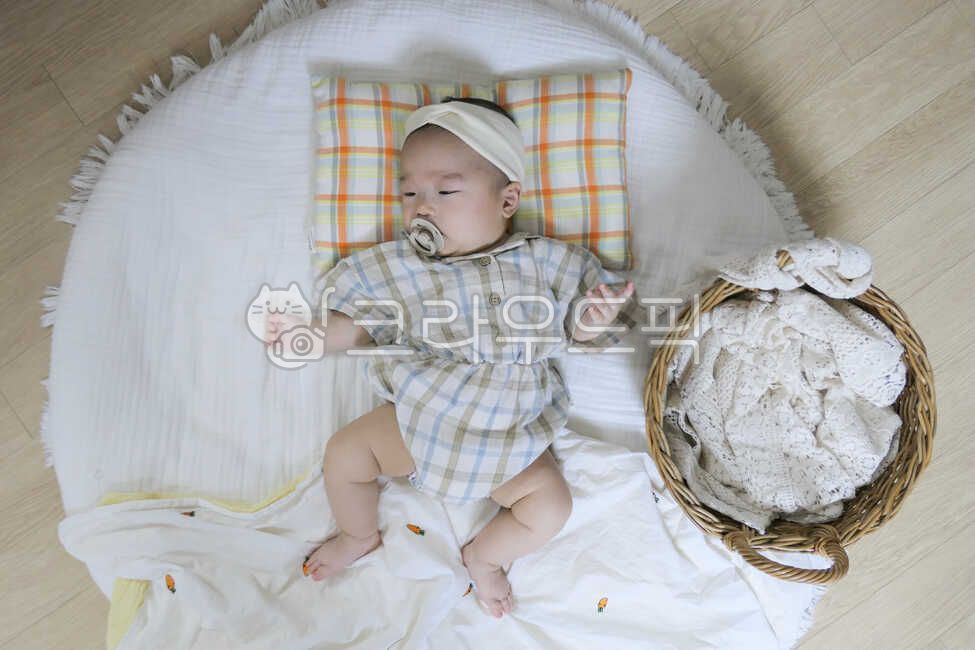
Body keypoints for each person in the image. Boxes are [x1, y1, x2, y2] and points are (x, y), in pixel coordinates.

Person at [265, 96, 641, 618]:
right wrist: (311, 335)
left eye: (445, 190)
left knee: (551, 506)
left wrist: (592, 317)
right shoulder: (403, 267)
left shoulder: (543, 261)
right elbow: (362, 326)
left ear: (507, 201)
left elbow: (575, 330)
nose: (423, 205)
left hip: (508, 434)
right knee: (345, 455)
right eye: (410, 192)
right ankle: (357, 534)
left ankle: (485, 558)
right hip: (420, 418)